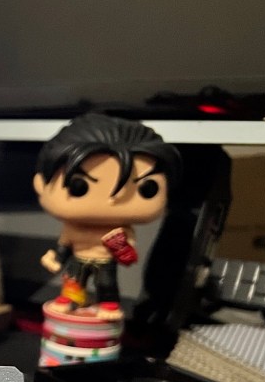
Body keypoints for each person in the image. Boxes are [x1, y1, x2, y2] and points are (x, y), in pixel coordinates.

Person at [35, 114, 181, 320]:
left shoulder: (123, 230)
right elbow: (64, 246)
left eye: (147, 188)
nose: (113, 199)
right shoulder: (71, 227)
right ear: (41, 185)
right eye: (79, 186)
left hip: (105, 261)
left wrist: (120, 247)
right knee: (73, 280)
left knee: (107, 283)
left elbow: (127, 255)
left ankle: (109, 304)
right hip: (78, 258)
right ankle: (70, 300)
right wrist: (56, 258)